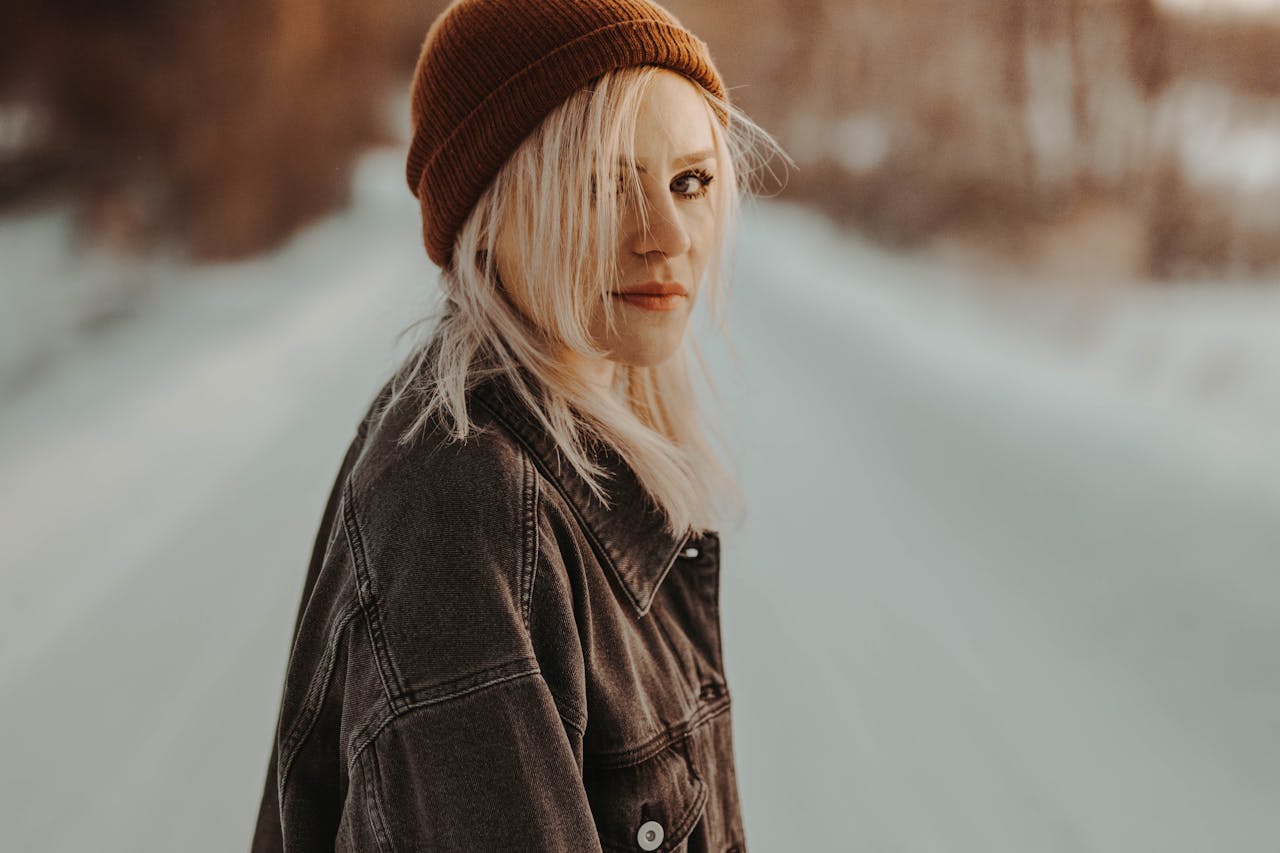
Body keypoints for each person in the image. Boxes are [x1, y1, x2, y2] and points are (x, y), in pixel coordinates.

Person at [252, 0, 781, 850]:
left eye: (690, 180)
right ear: (488, 212)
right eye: (604, 183)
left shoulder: (576, 448)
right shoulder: (462, 502)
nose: (667, 234)